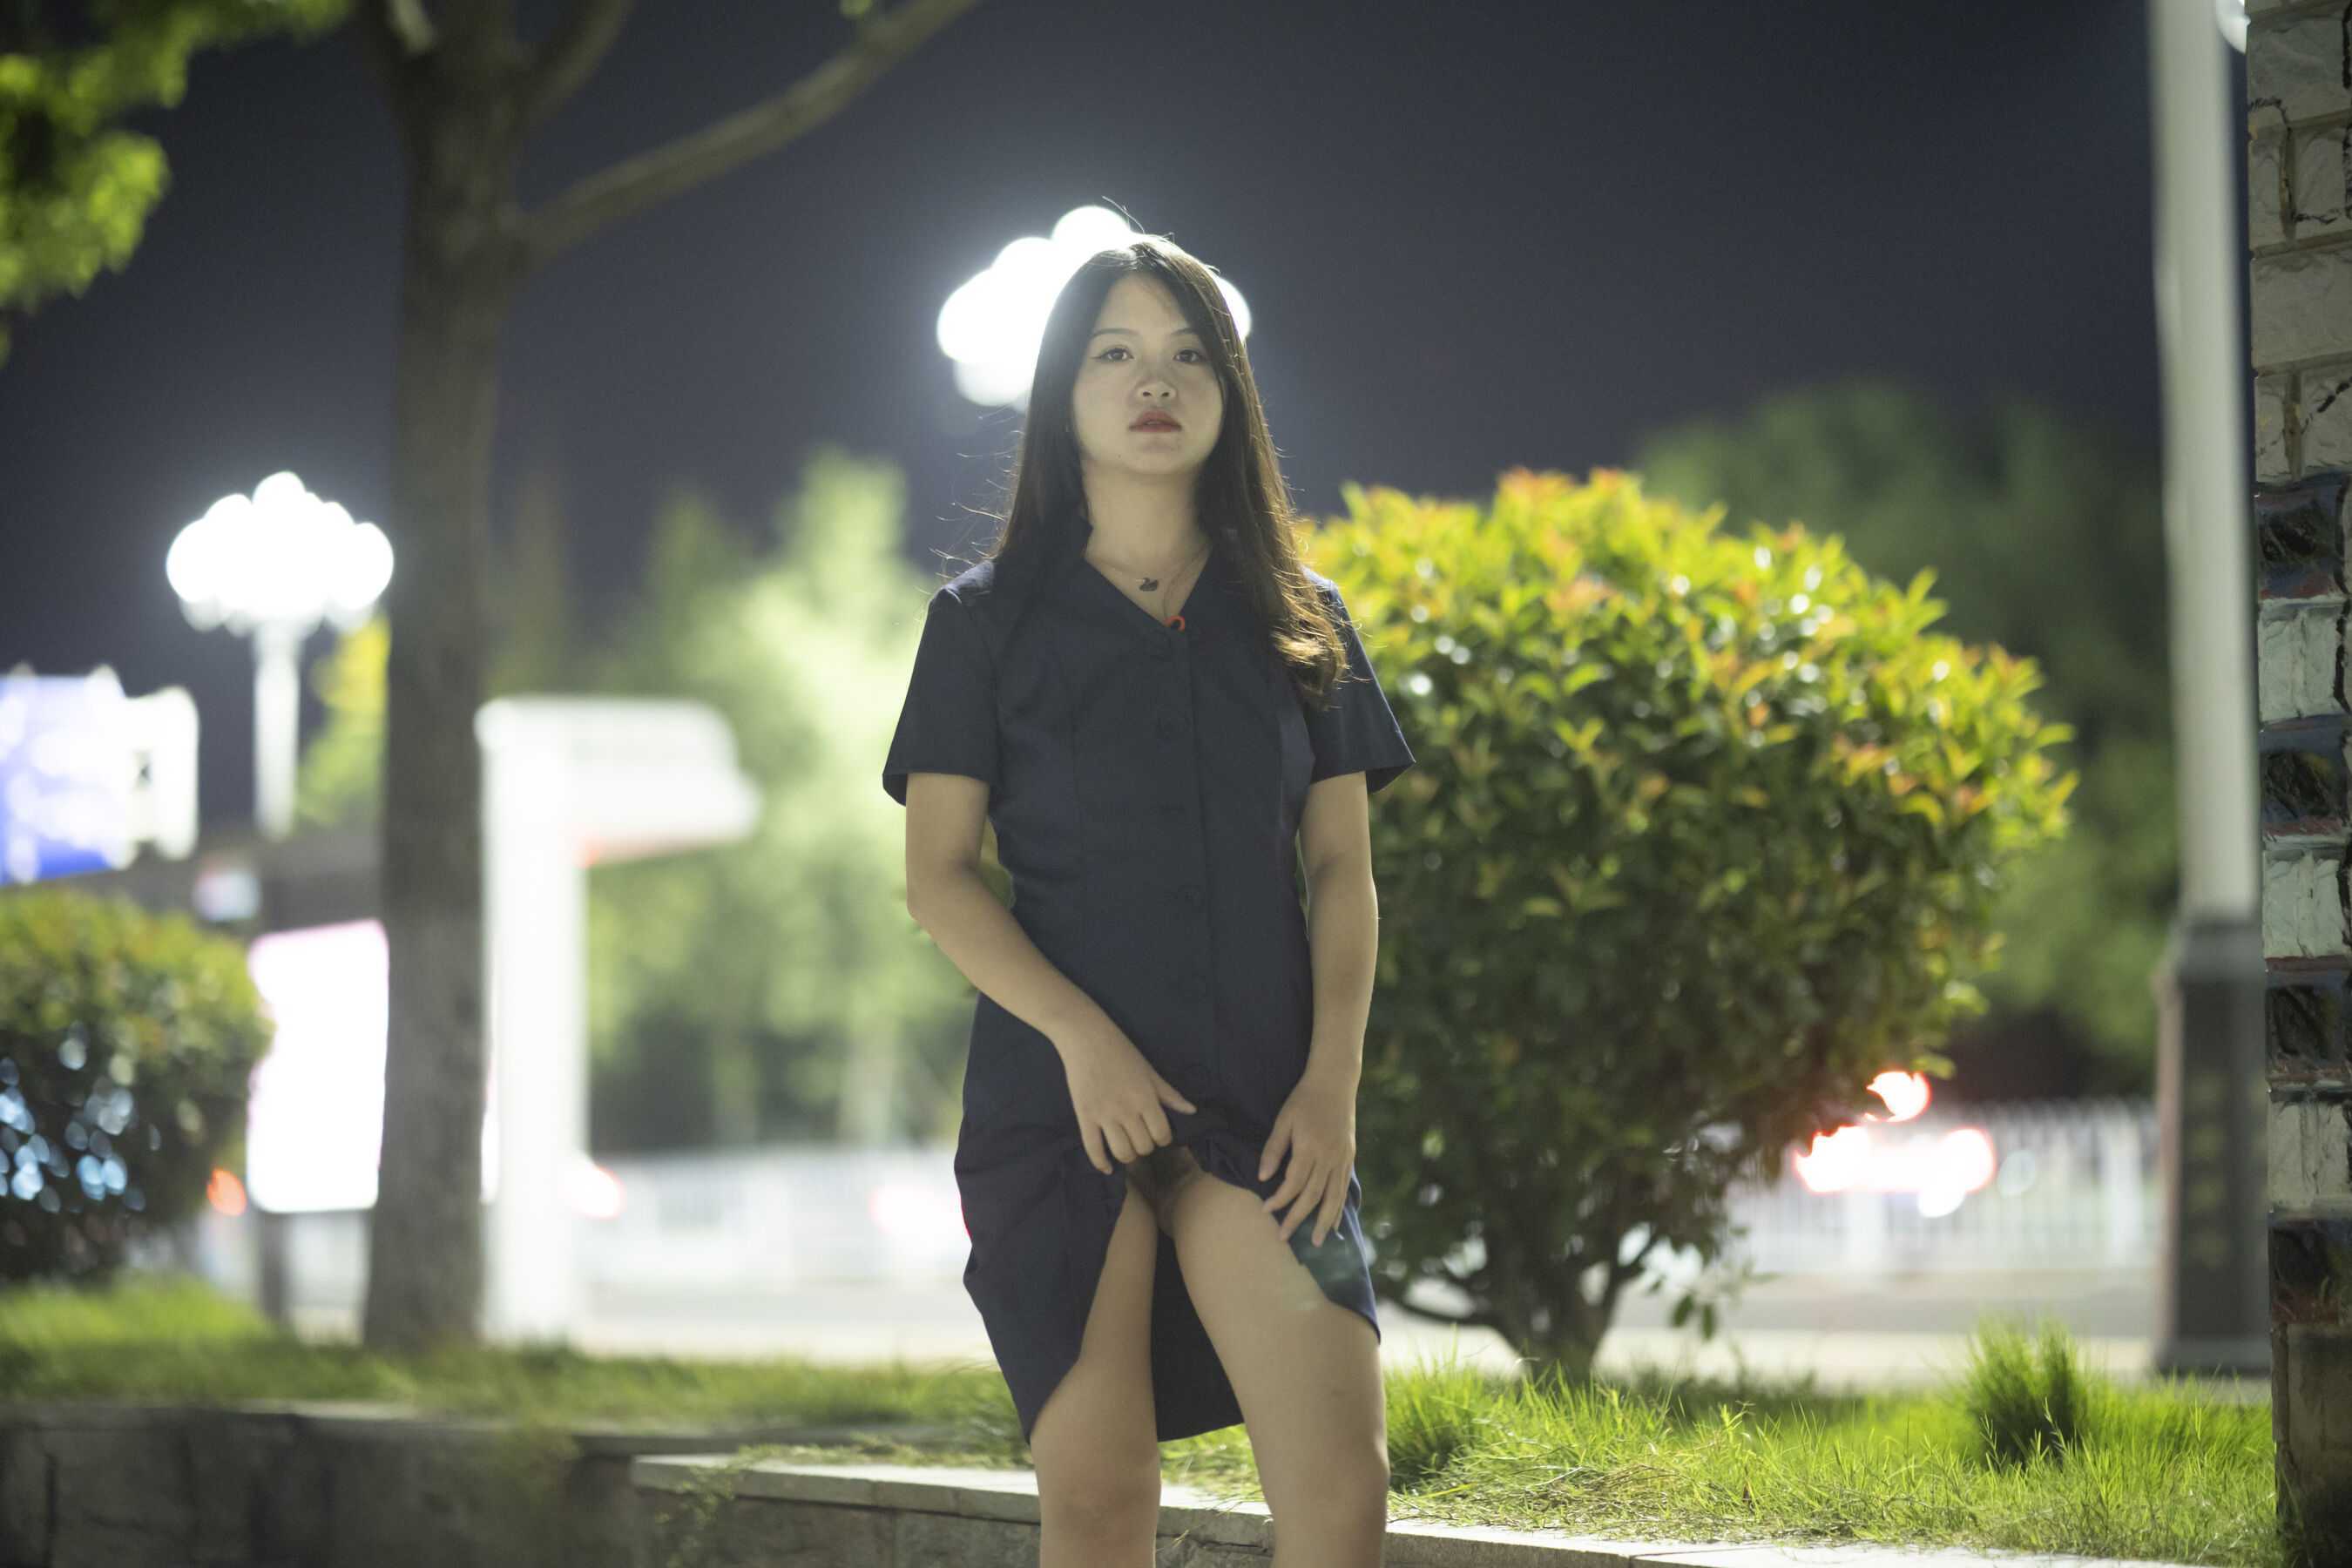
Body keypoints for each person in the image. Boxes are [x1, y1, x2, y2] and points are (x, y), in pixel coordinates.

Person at [882, 234, 1415, 1567]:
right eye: (1114, 354)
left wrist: (1332, 1086)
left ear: (1231, 393)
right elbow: (939, 877)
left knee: (1342, 1498)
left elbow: (1341, 871)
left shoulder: (1302, 618)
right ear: (1064, 395)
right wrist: (1082, 1039)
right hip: (1060, 1111)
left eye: (1187, 357)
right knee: (1100, 1503)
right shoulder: (984, 624)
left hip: (1268, 1108)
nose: (1153, 382)